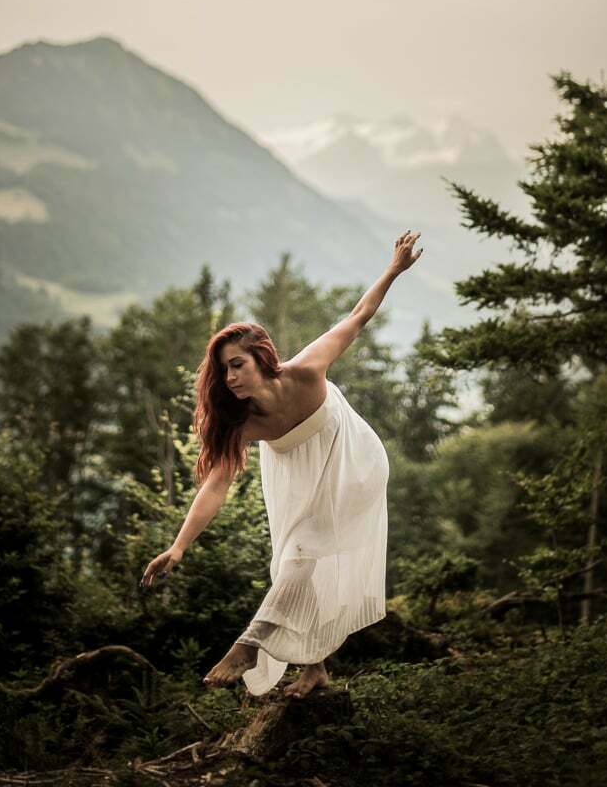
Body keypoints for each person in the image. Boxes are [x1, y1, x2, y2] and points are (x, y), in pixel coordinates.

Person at [140, 229, 423, 697]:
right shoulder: (241, 423)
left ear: (262, 358)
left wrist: (393, 269)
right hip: (299, 478)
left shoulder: (308, 369)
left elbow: (358, 316)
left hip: (353, 463)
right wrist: (179, 547)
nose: (229, 378)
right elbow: (215, 486)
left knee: (305, 555)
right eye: (224, 370)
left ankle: (249, 644)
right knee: (294, 562)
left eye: (238, 365)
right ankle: (314, 670)